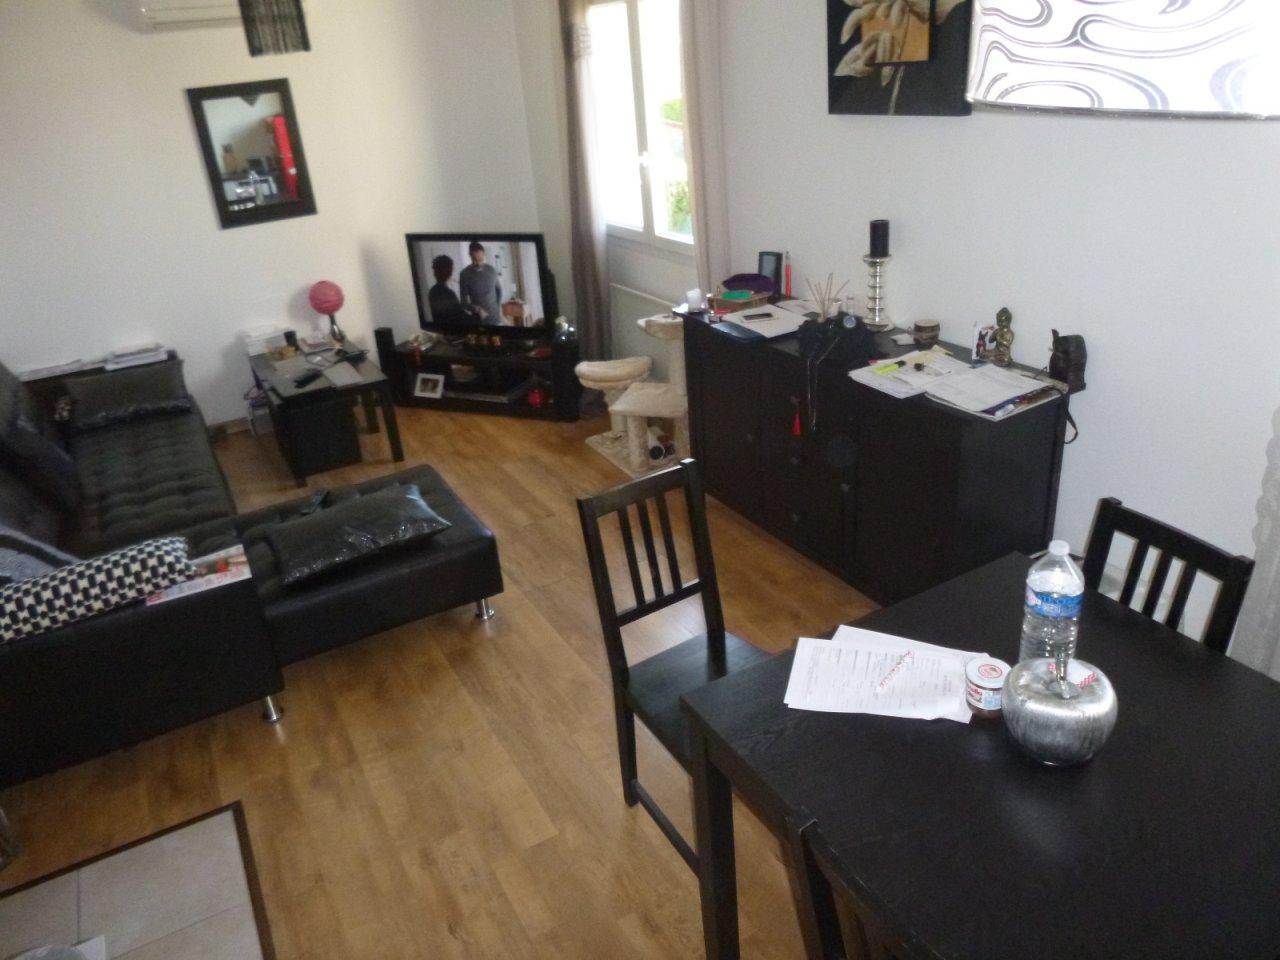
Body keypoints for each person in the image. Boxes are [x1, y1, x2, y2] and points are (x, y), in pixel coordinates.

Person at [458, 241, 503, 325]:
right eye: (475, 260)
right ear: (470, 255)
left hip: (496, 320)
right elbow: (463, 303)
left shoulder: (492, 270)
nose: (478, 263)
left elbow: (499, 290)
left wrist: (498, 306)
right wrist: (477, 309)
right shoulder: (464, 274)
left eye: (481, 260)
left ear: (484, 255)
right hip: (478, 322)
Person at [426, 254, 469, 325]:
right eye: (451, 269)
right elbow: (461, 319)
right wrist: (479, 315)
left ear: (435, 272)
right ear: (450, 272)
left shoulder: (432, 291)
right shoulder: (448, 293)